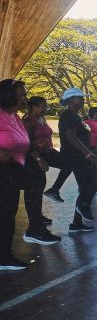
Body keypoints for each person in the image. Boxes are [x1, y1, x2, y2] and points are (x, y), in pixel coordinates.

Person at [1, 81, 60, 271]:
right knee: (6, 213)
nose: (25, 98)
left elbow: (23, 144)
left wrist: (36, 148)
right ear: (9, 96)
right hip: (4, 169)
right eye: (22, 95)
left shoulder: (15, 117)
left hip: (15, 167)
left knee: (36, 177)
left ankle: (34, 227)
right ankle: (3, 257)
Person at [58, 88, 97, 232]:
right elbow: (71, 137)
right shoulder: (68, 116)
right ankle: (82, 207)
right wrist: (88, 154)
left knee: (87, 185)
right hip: (75, 156)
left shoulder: (75, 115)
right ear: (71, 100)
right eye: (79, 97)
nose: (83, 99)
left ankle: (77, 221)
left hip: (80, 155)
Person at [23, 97, 69, 209]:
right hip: (35, 156)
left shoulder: (42, 118)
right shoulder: (28, 121)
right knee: (37, 187)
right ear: (34, 106)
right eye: (43, 107)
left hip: (49, 152)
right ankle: (36, 218)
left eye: (46, 106)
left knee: (69, 163)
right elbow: (26, 143)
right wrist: (39, 159)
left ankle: (54, 189)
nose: (45, 109)